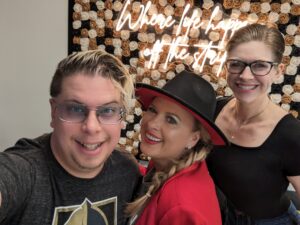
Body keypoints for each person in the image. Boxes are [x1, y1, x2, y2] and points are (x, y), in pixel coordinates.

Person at [0, 49, 140, 225]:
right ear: (54, 111)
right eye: (75, 109)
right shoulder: (26, 170)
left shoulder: (127, 171)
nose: (91, 127)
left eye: (108, 111)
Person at [206, 24, 300, 224]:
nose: (245, 75)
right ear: (226, 67)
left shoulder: (291, 134)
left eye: (259, 65)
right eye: (236, 64)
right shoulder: (214, 110)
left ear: (278, 71)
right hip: (217, 216)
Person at [126, 71, 229, 225]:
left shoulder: (182, 208)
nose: (152, 124)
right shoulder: (169, 162)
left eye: (171, 120)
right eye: (153, 110)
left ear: (193, 138)